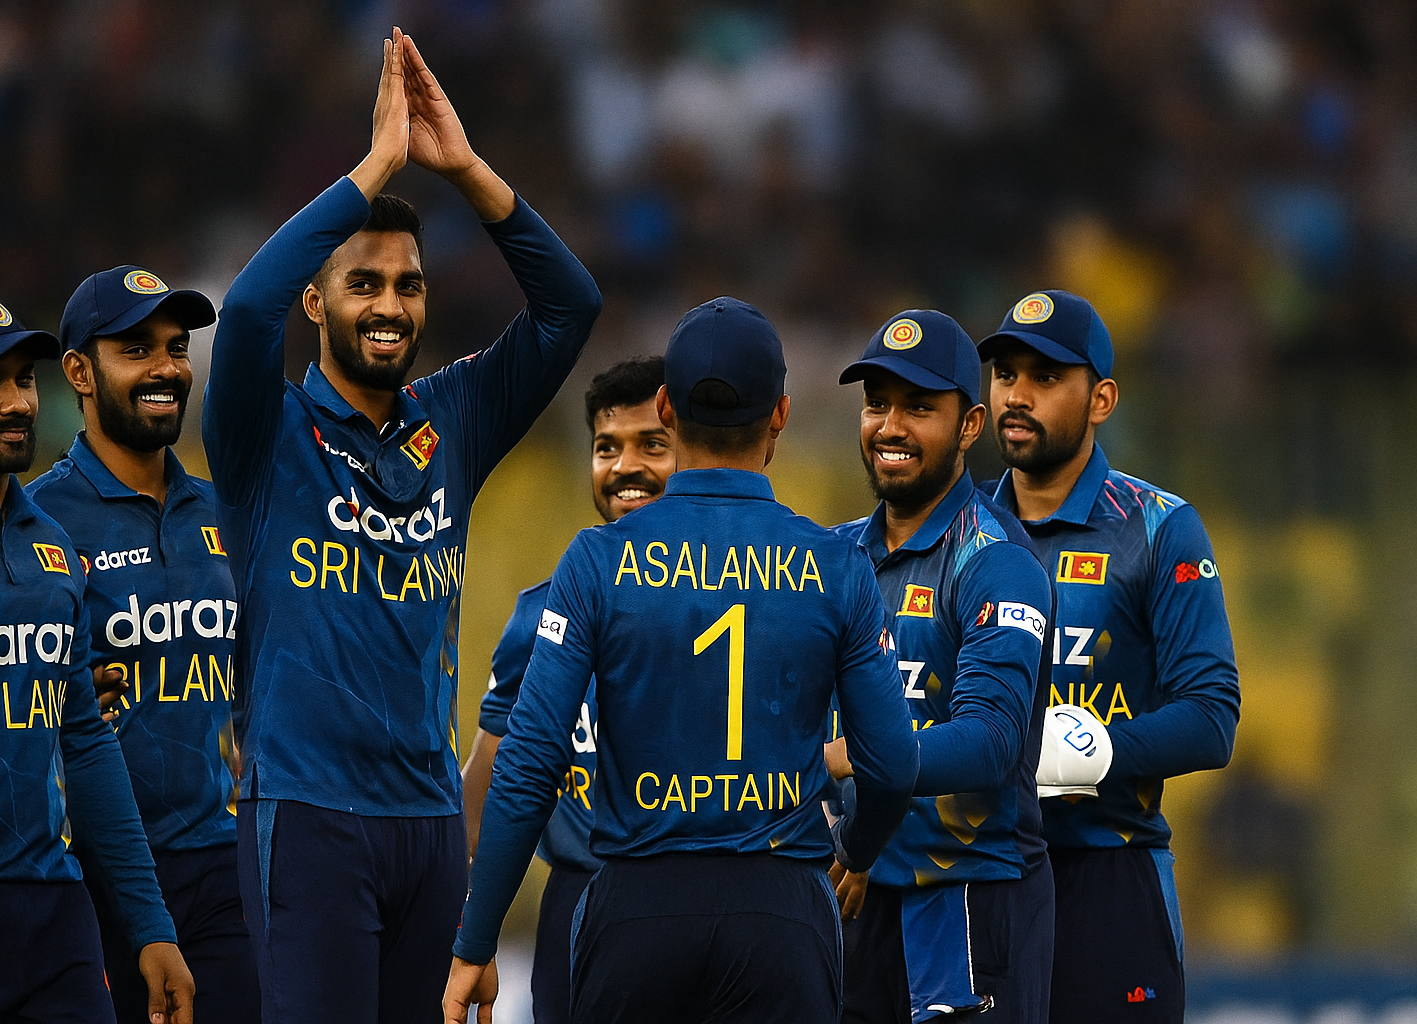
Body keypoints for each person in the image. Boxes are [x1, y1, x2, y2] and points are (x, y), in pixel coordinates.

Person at [199, 30, 601, 1023]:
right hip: (309, 815)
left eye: (408, 284)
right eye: (364, 283)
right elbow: (243, 315)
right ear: (316, 299)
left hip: (429, 823)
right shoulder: (264, 434)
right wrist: (372, 170)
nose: (390, 306)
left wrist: (463, 169)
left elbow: (569, 307)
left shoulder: (452, 418)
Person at [445, 297, 920, 1024]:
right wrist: (856, 849)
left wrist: (476, 941)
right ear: (781, 415)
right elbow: (891, 765)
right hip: (781, 911)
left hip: (637, 908)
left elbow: (529, 762)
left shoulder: (596, 561)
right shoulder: (837, 567)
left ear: (666, 409)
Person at [0, 291, 193, 1024]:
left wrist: (150, 925)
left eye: (24, 379)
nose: (18, 402)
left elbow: (84, 741)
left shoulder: (51, 544)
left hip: (56, 914)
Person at [978, 290, 1240, 1023]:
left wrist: (1090, 752)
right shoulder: (959, 532)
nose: (1017, 395)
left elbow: (1212, 717)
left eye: (1045, 377)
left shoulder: (1158, 528)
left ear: (1102, 400)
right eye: (1005, 375)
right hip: (975, 878)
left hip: (1111, 877)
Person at [26, 265, 259, 1024]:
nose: (165, 368)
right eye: (136, 349)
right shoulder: (37, 523)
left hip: (225, 864)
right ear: (78, 373)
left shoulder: (224, 511)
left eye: (176, 347)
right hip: (94, 875)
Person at [827, 310, 1055, 1023]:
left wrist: (852, 758)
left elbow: (991, 741)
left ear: (969, 425)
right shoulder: (832, 558)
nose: (890, 427)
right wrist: (850, 841)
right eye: (877, 404)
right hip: (852, 895)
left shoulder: (995, 562)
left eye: (919, 407)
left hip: (966, 901)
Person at [460, 355, 672, 1024]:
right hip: (573, 908)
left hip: (692, 895)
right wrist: (466, 922)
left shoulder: (749, 602)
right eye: (607, 447)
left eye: (652, 445)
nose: (624, 467)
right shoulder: (539, 614)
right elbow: (484, 791)